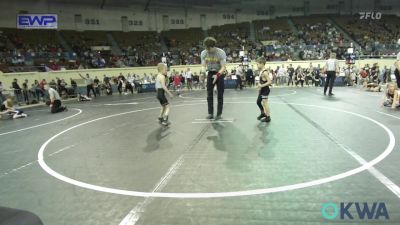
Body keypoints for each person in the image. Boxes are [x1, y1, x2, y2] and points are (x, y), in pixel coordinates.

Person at [200, 37, 227, 120]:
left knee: (220, 95)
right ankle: (210, 113)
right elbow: (203, 65)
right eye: (206, 48)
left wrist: (218, 75)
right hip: (210, 73)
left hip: (219, 73)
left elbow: (223, 67)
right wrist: (202, 73)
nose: (207, 50)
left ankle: (219, 114)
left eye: (208, 48)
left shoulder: (221, 53)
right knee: (209, 95)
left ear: (213, 46)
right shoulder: (204, 53)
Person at [255, 57, 272, 122]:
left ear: (262, 64)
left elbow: (270, 82)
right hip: (262, 90)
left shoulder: (265, 72)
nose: (257, 65)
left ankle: (268, 117)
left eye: (257, 64)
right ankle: (263, 113)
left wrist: (261, 85)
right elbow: (262, 81)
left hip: (265, 90)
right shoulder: (261, 71)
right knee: (258, 102)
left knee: (265, 103)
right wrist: (259, 87)